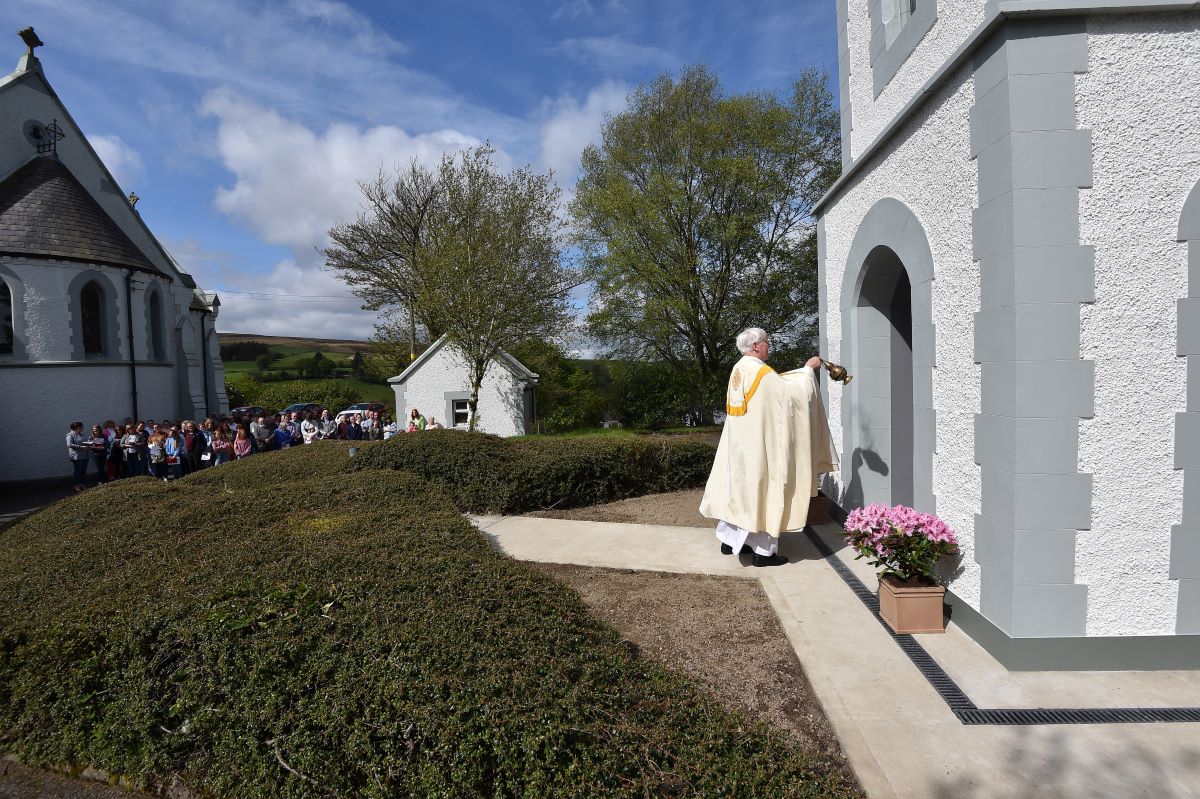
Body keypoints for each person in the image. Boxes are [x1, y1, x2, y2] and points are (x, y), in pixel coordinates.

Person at [699, 327, 839, 567]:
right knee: (765, 494)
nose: (768, 346)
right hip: (761, 451)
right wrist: (808, 370)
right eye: (765, 342)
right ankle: (764, 553)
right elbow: (793, 397)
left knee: (739, 493)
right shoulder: (761, 372)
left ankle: (732, 541)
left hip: (740, 450)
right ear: (755, 346)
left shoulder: (739, 368)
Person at [66, 421, 91, 492]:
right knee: (77, 471)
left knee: (83, 471)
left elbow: (84, 442)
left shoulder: (81, 434)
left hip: (85, 455)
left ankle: (81, 484)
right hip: (77, 456)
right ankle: (76, 485)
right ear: (78, 427)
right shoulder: (70, 435)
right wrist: (81, 447)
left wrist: (89, 443)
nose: (83, 428)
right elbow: (69, 444)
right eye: (82, 426)